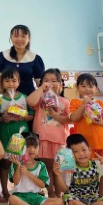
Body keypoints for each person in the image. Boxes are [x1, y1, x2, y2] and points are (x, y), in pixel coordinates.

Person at [68, 73, 103, 195]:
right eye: (83, 86)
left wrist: (101, 122)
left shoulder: (101, 104)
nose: (87, 89)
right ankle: (86, 196)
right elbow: (74, 118)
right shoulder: (75, 102)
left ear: (96, 88)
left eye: (91, 86)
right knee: (85, 172)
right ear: (77, 88)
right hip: (84, 147)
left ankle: (100, 196)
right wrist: (84, 104)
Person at [27, 69, 70, 198]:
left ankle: (58, 193)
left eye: (54, 81)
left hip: (59, 139)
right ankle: (51, 194)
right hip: (43, 138)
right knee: (46, 167)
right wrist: (41, 88)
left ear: (60, 85)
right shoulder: (40, 99)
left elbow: (69, 119)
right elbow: (30, 101)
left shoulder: (65, 101)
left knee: (58, 168)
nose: (49, 83)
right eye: (46, 80)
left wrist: (56, 115)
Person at [0, 66, 34, 201]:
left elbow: (31, 116)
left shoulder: (24, 98)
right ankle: (5, 191)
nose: (10, 84)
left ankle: (22, 190)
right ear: (2, 83)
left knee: (22, 163)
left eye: (14, 80)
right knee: (5, 164)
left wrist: (22, 115)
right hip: (5, 134)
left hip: (21, 134)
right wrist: (3, 118)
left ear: (19, 82)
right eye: (7, 81)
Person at [8, 134, 63, 205]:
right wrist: (19, 165)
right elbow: (16, 181)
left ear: (39, 149)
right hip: (20, 197)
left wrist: (27, 173)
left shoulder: (41, 165)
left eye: (35, 147)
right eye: (28, 147)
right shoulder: (16, 164)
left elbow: (42, 185)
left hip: (36, 197)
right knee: (12, 199)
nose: (32, 150)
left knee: (60, 202)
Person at [0, 25, 44, 97]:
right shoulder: (2, 56)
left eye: (23, 36)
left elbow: (40, 86)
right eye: (16, 36)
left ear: (29, 38)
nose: (19, 39)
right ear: (11, 38)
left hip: (29, 98)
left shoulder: (35, 58)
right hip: (8, 99)